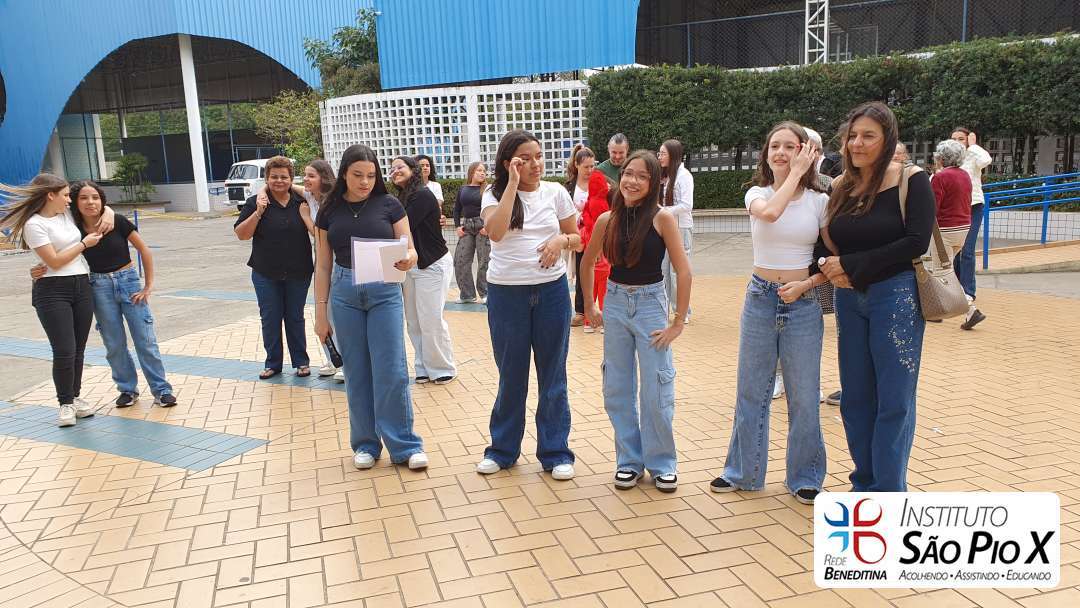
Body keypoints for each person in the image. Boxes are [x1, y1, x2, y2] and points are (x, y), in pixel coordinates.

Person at [709, 122, 829, 504]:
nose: (780, 152)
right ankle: (742, 472)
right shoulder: (757, 194)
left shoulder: (819, 201)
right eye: (774, 146)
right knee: (751, 390)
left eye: (790, 146)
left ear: (805, 152)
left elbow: (833, 257)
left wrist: (807, 285)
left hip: (802, 303)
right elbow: (771, 214)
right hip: (760, 298)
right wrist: (795, 174)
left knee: (803, 395)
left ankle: (805, 476)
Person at [818, 102, 934, 492]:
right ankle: (863, 482)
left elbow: (916, 242)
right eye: (852, 135)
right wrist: (831, 266)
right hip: (849, 300)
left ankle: (889, 489)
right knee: (855, 397)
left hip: (896, 297)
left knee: (894, 398)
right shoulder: (840, 186)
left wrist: (850, 264)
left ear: (887, 140)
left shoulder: (911, 180)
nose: (857, 143)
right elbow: (825, 238)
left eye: (868, 135)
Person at [582, 150, 691, 493]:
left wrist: (678, 322)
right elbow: (586, 262)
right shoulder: (607, 219)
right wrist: (590, 306)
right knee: (617, 387)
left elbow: (683, 271)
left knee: (656, 387)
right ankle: (629, 461)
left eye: (642, 176)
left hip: (650, 305)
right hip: (614, 304)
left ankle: (662, 463)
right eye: (629, 173)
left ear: (654, 182)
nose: (632, 181)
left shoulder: (662, 218)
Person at [313, 144, 428, 471]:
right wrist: (320, 315)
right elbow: (322, 265)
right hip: (344, 292)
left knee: (391, 369)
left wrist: (410, 258)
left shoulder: (390, 204)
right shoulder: (328, 210)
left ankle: (405, 446)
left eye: (371, 175)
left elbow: (410, 248)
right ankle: (365, 444)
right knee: (356, 371)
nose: (365, 182)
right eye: (357, 175)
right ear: (344, 174)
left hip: (385, 290)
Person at [476, 129, 582, 481]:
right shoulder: (493, 194)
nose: (536, 163)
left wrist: (559, 241)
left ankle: (555, 452)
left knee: (553, 375)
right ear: (509, 163)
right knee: (511, 375)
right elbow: (495, 232)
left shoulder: (556, 192)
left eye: (538, 155)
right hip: (507, 294)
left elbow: (578, 238)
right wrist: (511, 185)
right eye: (526, 158)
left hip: (551, 293)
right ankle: (502, 450)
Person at [32, 182, 176, 408]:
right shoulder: (73, 227)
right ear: (74, 202)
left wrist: (148, 286)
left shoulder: (116, 220)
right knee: (114, 344)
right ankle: (127, 390)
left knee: (145, 340)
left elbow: (144, 250)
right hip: (97, 286)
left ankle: (162, 390)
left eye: (95, 197)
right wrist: (38, 268)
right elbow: (57, 251)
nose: (90, 202)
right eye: (83, 198)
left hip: (128, 282)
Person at [1, 174, 112, 426]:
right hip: (52, 290)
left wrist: (108, 212)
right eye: (65, 195)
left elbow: (96, 207)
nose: (69, 200)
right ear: (50, 195)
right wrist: (84, 244)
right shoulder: (34, 224)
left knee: (79, 349)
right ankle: (65, 404)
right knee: (64, 349)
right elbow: (54, 261)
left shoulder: (66, 215)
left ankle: (75, 396)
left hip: (81, 284)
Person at [259, 160, 341, 379]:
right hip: (320, 260)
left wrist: (305, 217)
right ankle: (333, 359)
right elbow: (279, 183)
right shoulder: (309, 196)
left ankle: (343, 361)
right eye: (304, 175)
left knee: (335, 311)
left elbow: (322, 234)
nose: (305, 180)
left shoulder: (334, 202)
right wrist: (261, 193)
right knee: (324, 313)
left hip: (337, 260)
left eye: (311, 176)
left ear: (323, 178)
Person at [234, 156, 314, 380]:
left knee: (295, 317)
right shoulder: (256, 202)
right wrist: (258, 212)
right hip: (265, 272)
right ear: (266, 179)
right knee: (270, 318)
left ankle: (301, 362)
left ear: (291, 179)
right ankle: (273, 363)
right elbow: (242, 234)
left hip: (299, 271)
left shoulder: (302, 201)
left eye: (284, 177)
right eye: (274, 177)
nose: (279, 181)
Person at [389, 155, 457, 385]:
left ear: (413, 170)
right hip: (411, 266)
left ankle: (442, 367)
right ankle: (423, 367)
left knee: (430, 319)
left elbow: (402, 228)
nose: (395, 171)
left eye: (400, 167)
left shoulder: (421, 195)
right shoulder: (402, 197)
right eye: (392, 169)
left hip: (432, 265)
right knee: (414, 320)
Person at [951, 127, 992, 330]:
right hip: (954, 208)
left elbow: (986, 160)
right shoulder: (952, 159)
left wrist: (974, 146)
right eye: (954, 139)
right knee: (955, 250)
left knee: (967, 249)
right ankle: (958, 289)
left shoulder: (974, 155)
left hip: (973, 206)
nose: (958, 142)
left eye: (961, 139)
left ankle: (968, 291)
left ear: (968, 140)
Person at [657, 139, 694, 324]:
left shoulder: (684, 176)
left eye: (663, 153)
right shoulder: (667, 176)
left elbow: (687, 205)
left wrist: (663, 211)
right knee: (663, 270)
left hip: (681, 228)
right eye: (659, 153)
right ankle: (663, 309)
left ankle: (682, 311)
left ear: (673, 155)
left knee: (677, 271)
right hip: (668, 227)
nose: (660, 157)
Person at [565, 144, 595, 328]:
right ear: (577, 165)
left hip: (598, 234)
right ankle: (581, 312)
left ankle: (604, 309)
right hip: (579, 236)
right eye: (586, 167)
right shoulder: (569, 187)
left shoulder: (600, 182)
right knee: (582, 271)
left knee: (604, 273)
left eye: (592, 166)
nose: (590, 170)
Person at [579, 169, 612, 335]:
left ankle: (588, 323)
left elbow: (580, 245)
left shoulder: (586, 227)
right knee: (604, 295)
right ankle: (605, 323)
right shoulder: (608, 222)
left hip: (590, 267)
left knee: (590, 295)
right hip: (606, 266)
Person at [453, 161, 491, 304]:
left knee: (484, 261)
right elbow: (457, 209)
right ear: (471, 172)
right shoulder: (463, 189)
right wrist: (457, 226)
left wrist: (488, 226)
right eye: (479, 170)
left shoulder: (488, 189)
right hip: (467, 227)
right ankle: (467, 294)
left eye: (484, 171)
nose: (482, 173)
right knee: (460, 260)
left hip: (483, 227)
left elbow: (494, 209)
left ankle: (485, 293)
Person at [415, 154, 446, 226]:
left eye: (427, 165)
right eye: (422, 166)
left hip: (433, 222)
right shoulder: (411, 187)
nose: (425, 168)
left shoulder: (436, 185)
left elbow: (438, 202)